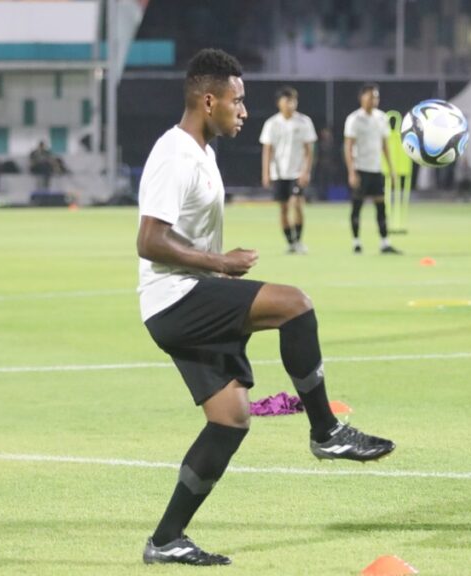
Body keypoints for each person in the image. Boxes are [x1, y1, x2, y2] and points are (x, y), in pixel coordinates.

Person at [136, 49, 395, 566]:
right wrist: (219, 262)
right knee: (295, 304)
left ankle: (165, 540)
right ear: (208, 100)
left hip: (186, 296)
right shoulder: (175, 154)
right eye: (238, 100)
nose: (244, 110)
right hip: (176, 298)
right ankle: (326, 432)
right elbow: (149, 240)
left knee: (229, 420)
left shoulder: (202, 152)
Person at [344, 83, 401, 254]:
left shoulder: (381, 117)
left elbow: (385, 145)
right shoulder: (354, 119)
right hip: (360, 168)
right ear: (362, 98)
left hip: (376, 169)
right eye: (370, 97)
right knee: (357, 206)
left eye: (376, 97)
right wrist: (352, 171)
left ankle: (384, 242)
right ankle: (356, 242)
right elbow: (348, 146)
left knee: (381, 206)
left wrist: (391, 168)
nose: (374, 100)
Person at [260, 86, 317, 254]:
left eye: (293, 101)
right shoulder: (272, 124)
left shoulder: (304, 121)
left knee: (297, 204)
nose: (291, 104)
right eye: (287, 101)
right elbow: (267, 149)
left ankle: (299, 240)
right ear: (279, 103)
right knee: (283, 208)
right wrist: (266, 172)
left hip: (297, 172)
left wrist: (306, 171)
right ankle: (290, 242)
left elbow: (309, 149)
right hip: (278, 172)